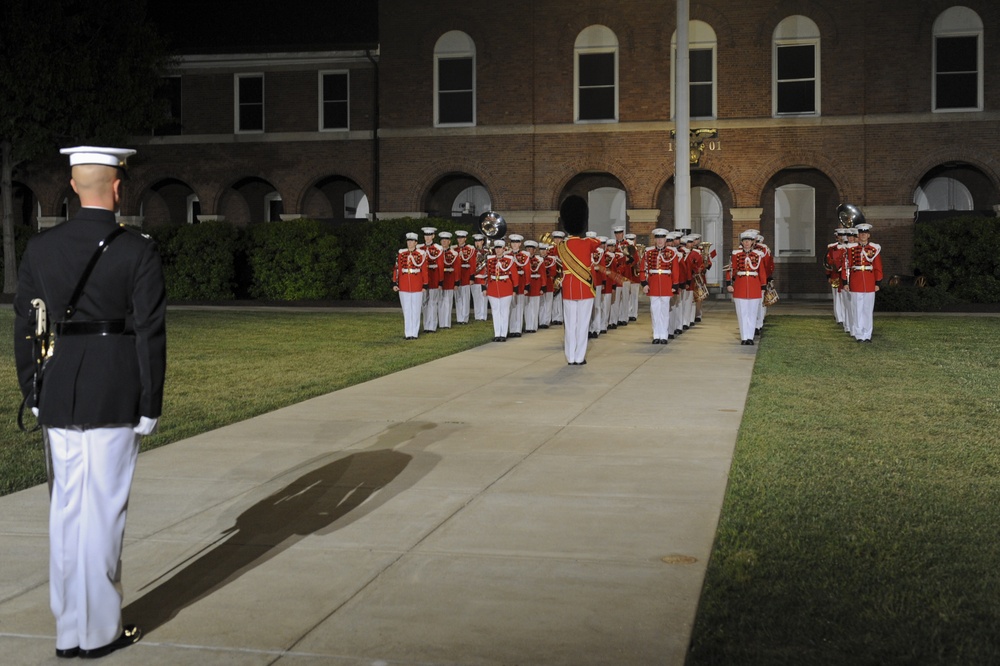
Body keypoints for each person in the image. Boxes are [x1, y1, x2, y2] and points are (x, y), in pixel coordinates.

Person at [14, 146, 166, 659]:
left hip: (59, 387)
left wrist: (33, 390)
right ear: (118, 187)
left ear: (74, 186)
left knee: (67, 513)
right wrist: (151, 400)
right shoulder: (136, 249)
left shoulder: (40, 248)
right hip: (115, 388)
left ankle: (68, 632)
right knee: (104, 513)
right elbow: (149, 333)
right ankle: (99, 632)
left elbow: (27, 328)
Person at [557, 197, 599, 365]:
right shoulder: (588, 242)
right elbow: (598, 243)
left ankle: (570, 357)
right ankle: (579, 357)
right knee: (582, 325)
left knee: (570, 324)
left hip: (568, 288)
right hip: (585, 288)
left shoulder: (560, 246)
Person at [843, 222, 883, 342]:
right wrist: (845, 281)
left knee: (867, 309)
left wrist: (878, 283)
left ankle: (867, 334)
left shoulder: (874, 249)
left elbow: (878, 267)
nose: (863, 235)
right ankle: (859, 334)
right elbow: (847, 266)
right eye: (861, 233)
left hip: (870, 282)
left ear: (869, 235)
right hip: (856, 281)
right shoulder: (851, 249)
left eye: (865, 233)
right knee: (857, 309)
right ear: (858, 235)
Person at [726, 229, 767, 345]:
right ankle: (744, 337)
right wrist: (729, 284)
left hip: (754, 285)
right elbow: (730, 269)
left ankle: (750, 337)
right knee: (742, 312)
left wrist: (763, 287)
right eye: (745, 241)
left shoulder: (758, 255)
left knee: (752, 312)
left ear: (753, 242)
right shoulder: (736, 254)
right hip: (740, 284)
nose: (747, 243)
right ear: (742, 242)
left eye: (749, 241)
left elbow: (762, 271)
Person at [640, 228, 679, 344]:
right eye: (658, 238)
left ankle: (664, 335)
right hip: (653, 284)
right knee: (654, 311)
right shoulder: (649, 253)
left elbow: (675, 270)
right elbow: (643, 269)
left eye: (662, 238)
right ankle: (656, 334)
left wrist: (675, 285)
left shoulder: (671, 253)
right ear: (655, 239)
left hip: (666, 283)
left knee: (665, 311)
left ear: (665, 239)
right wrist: (644, 283)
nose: (660, 240)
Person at [392, 232, 429, 339]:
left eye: (412, 241)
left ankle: (414, 333)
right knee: (406, 310)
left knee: (416, 309)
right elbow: (397, 268)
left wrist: (425, 285)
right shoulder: (402, 253)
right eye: (408, 241)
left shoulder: (421, 254)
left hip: (417, 285)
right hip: (404, 285)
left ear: (416, 242)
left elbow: (424, 271)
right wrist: (395, 282)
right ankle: (408, 333)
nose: (410, 243)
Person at [484, 239, 519, 341]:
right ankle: (497, 334)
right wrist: (484, 287)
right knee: (495, 312)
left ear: (504, 249)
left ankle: (503, 334)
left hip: (506, 288)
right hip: (493, 288)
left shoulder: (509, 260)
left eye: (500, 248)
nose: (498, 250)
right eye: (496, 248)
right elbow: (487, 275)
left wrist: (515, 289)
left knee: (504, 311)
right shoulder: (490, 260)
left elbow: (515, 276)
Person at [420, 227, 443, 333]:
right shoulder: (420, 249)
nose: (427, 237)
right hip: (424, 279)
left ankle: (432, 326)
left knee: (433, 302)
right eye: (426, 235)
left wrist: (440, 281)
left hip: (434, 277)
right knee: (424, 302)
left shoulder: (438, 248)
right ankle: (426, 325)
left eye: (429, 235)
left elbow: (440, 265)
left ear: (433, 236)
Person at [454, 230, 476, 324]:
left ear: (465, 239)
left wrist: (471, 277)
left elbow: (472, 264)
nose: (460, 240)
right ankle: (459, 318)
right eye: (458, 238)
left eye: (462, 238)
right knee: (458, 297)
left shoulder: (470, 249)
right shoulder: (454, 250)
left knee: (465, 298)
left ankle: (465, 318)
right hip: (457, 276)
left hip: (466, 275)